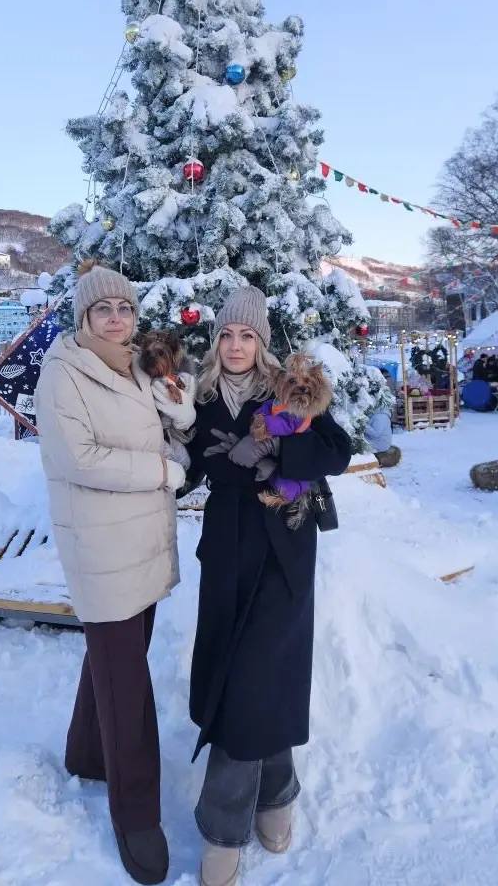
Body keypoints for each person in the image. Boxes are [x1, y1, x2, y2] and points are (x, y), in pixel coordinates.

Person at [34, 262, 196, 886]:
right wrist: (161, 472)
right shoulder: (64, 373)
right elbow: (79, 458)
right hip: (101, 548)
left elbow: (165, 430)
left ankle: (86, 753)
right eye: (103, 309)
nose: (116, 318)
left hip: (144, 542)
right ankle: (136, 816)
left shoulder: (135, 366)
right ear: (84, 317)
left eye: (125, 308)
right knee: (127, 687)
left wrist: (178, 418)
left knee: (115, 660)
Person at [185, 287, 352, 886]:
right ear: (216, 341)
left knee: (259, 676)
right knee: (244, 677)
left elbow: (337, 451)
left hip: (284, 549)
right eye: (227, 335)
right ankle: (277, 790)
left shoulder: (287, 389)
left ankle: (223, 826)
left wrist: (277, 443)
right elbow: (190, 466)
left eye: (247, 336)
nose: (236, 346)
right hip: (227, 552)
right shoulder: (199, 396)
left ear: (262, 342)